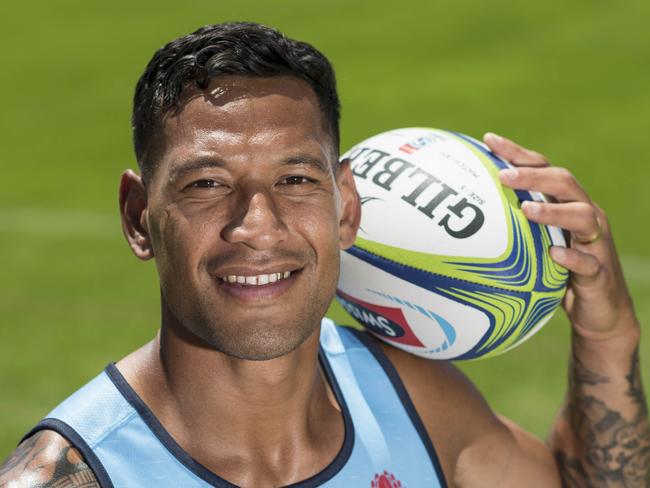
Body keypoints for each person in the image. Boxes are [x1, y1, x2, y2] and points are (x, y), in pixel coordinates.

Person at [0, 21, 647, 487]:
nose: (257, 226)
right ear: (139, 215)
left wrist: (607, 336)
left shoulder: (414, 400)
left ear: (347, 205)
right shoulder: (75, 476)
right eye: (207, 184)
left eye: (296, 180)